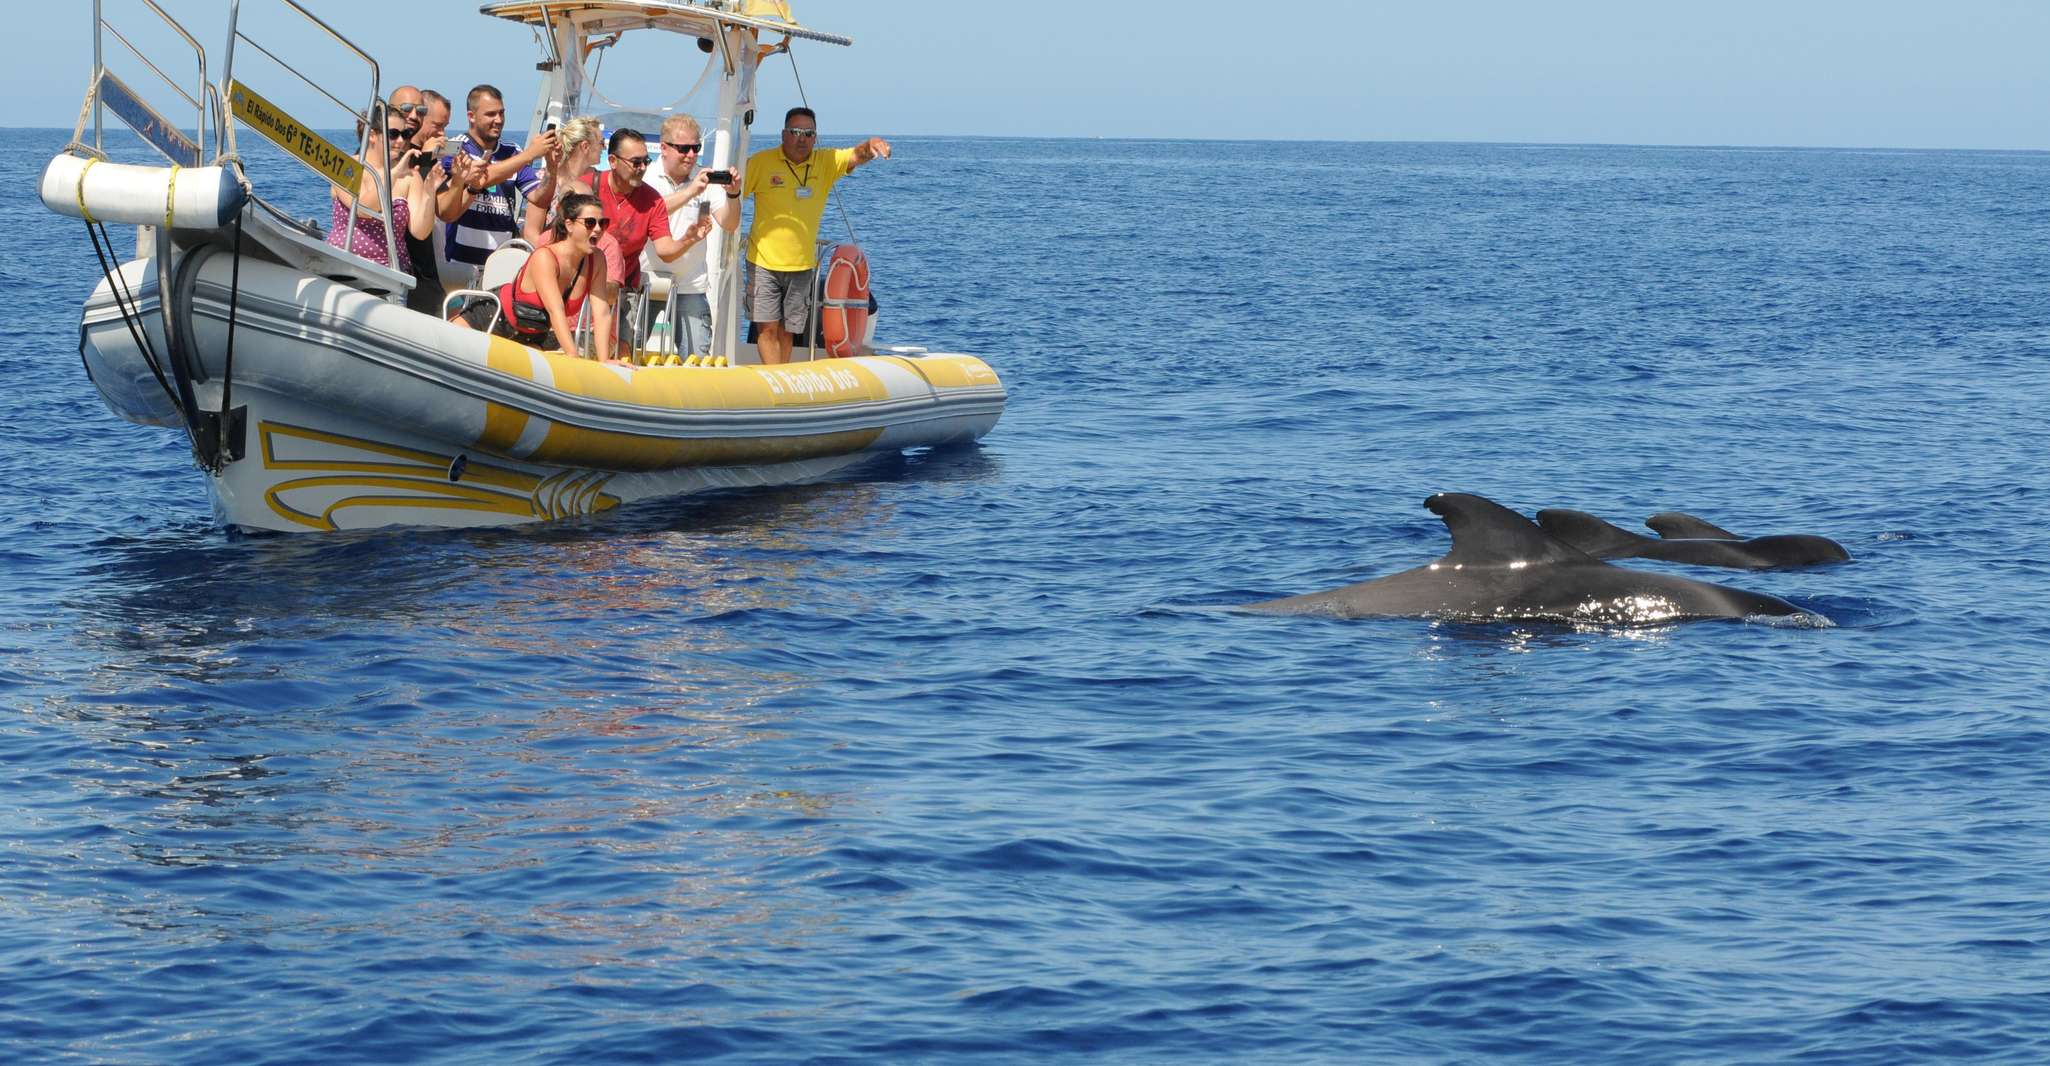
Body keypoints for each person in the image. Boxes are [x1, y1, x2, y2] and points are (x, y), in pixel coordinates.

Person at [740, 107, 890, 364]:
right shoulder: (761, 163)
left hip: (802, 265)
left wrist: (872, 144)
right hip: (762, 261)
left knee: (789, 330)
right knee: (767, 329)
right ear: (784, 134)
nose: (802, 139)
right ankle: (776, 378)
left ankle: (781, 375)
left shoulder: (825, 162)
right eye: (796, 132)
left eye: (808, 133)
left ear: (815, 137)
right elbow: (732, 195)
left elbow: (856, 155)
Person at [457, 193, 615, 360]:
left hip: (531, 335)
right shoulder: (545, 257)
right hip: (491, 318)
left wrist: (604, 361)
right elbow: (555, 310)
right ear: (569, 225)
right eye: (590, 223)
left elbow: (602, 313)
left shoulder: (597, 260)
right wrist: (572, 354)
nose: (598, 229)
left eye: (603, 223)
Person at [643, 114, 740, 355]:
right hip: (645, 280)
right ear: (663, 148)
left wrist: (733, 194)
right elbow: (647, 211)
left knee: (697, 357)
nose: (691, 155)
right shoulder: (647, 176)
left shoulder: (705, 180)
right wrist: (690, 192)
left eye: (696, 148)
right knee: (632, 351)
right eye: (683, 148)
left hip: (691, 286)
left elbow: (729, 223)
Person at [443, 84, 558, 284]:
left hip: (501, 266)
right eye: (490, 114)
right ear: (471, 116)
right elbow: (481, 178)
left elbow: (539, 198)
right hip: (460, 264)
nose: (498, 120)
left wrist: (552, 167)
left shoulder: (512, 151)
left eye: (501, 113)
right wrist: (529, 155)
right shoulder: (455, 148)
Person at [327, 106, 439, 273]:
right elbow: (363, 209)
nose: (401, 141)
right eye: (393, 134)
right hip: (339, 265)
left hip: (389, 272)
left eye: (405, 134)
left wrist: (430, 192)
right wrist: (393, 174)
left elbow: (420, 232)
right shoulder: (346, 166)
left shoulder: (410, 177)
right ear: (372, 135)